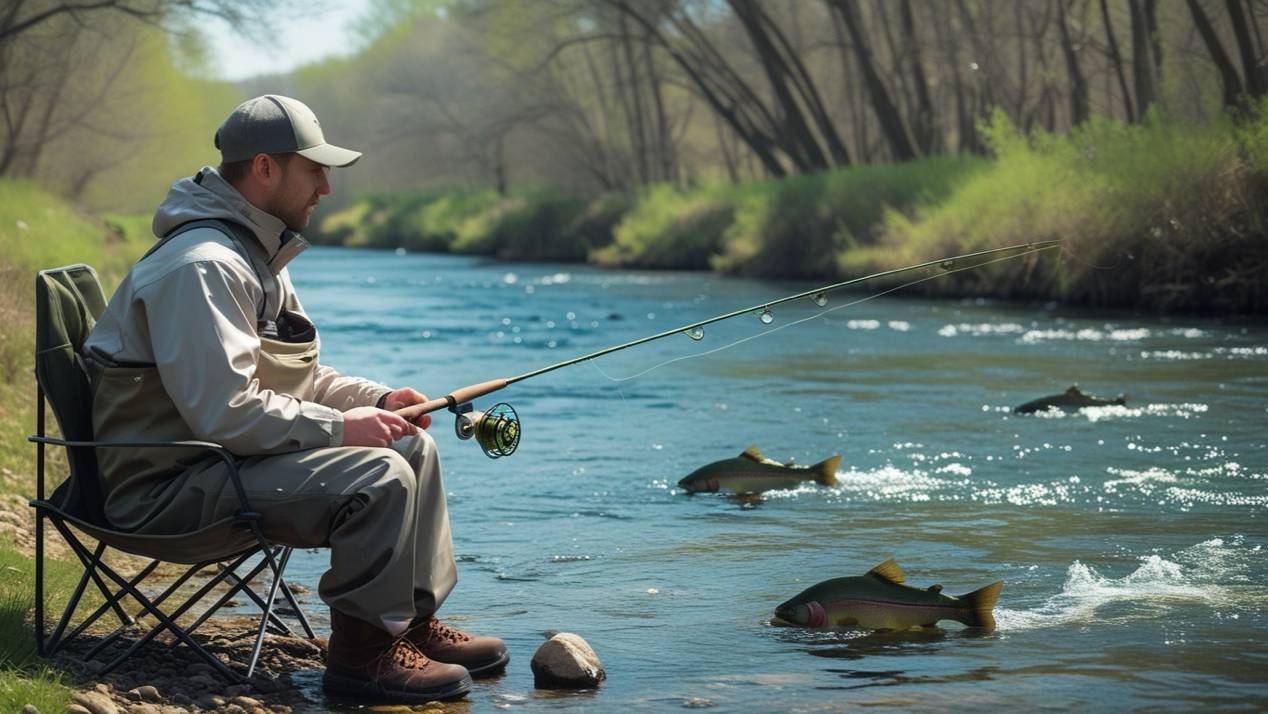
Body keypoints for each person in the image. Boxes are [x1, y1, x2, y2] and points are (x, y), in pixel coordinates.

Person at [83, 95, 505, 703]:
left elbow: (294, 378)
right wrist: (341, 429)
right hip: (168, 489)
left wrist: (379, 400)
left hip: (219, 464)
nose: (327, 188)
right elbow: (225, 410)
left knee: (410, 446)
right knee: (378, 475)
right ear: (264, 169)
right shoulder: (204, 266)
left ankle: (407, 626)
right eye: (315, 170)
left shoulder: (258, 253)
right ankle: (364, 659)